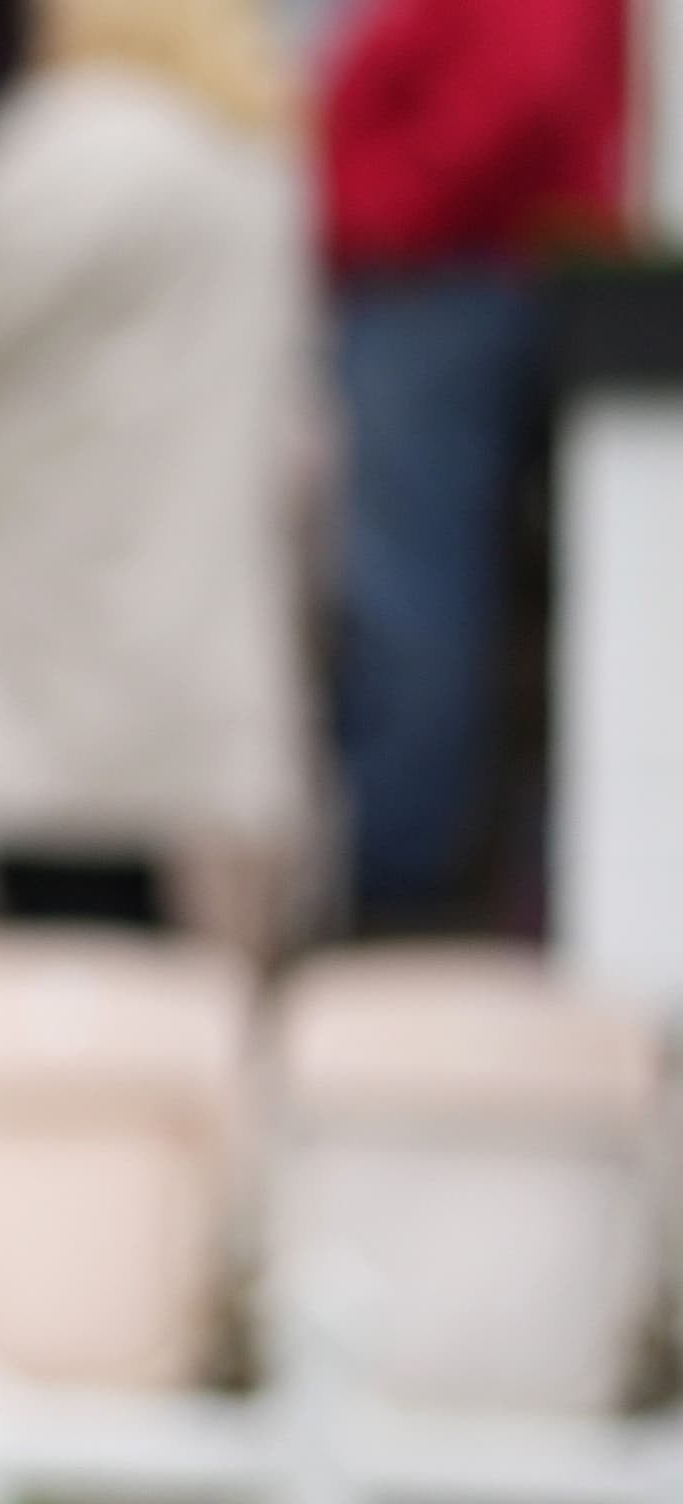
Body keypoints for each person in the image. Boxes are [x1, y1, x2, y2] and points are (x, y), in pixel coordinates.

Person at [0, 0, 316, 924]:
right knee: (123, 872)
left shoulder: (83, 142)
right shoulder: (247, 144)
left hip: (51, 587)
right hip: (167, 569)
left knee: (51, 883)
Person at [316, 0, 625, 921]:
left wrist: (370, 208)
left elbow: (519, 96)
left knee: (411, 598)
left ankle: (403, 892)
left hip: (448, 277)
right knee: (422, 595)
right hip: (454, 272)